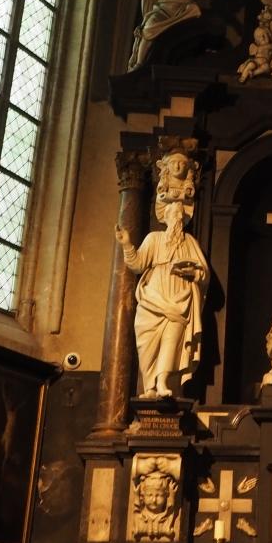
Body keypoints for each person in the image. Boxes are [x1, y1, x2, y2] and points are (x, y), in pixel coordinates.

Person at [116, 149, 209, 398]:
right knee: (148, 343)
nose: (177, 216)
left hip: (180, 299)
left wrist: (193, 273)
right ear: (165, 217)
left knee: (171, 341)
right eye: (172, 213)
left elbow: (204, 274)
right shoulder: (154, 238)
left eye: (180, 214)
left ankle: (163, 383)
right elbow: (137, 265)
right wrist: (127, 243)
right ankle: (149, 387)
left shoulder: (190, 242)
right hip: (153, 297)